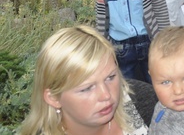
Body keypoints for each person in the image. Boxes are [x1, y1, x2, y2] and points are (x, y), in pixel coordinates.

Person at [18, 25, 148, 135]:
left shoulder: (144, 100)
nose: (106, 95)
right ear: (54, 98)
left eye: (111, 77)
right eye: (86, 88)